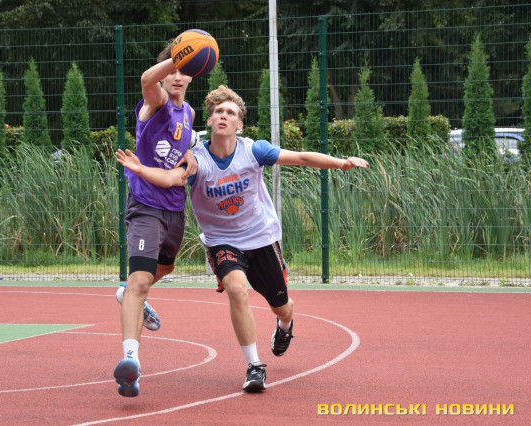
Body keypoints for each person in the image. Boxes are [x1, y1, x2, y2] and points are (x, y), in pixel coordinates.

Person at [115, 85, 369, 393]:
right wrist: (141, 169)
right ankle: (254, 366)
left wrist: (340, 163)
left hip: (261, 238)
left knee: (282, 307)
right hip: (222, 241)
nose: (224, 116)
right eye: (218, 112)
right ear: (210, 121)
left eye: (230, 112)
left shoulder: (254, 151)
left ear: (240, 124)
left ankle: (285, 326)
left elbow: (301, 157)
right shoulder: (197, 160)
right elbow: (170, 178)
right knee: (237, 289)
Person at [113, 39, 199, 397]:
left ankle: (128, 294)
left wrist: (191, 153)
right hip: (146, 205)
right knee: (140, 280)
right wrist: (179, 56)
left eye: (183, 71)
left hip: (174, 207)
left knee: (165, 268)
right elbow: (147, 80)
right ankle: (131, 362)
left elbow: (183, 144)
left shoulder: (189, 112)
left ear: (192, 77)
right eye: (172, 70)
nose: (177, 77)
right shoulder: (157, 101)